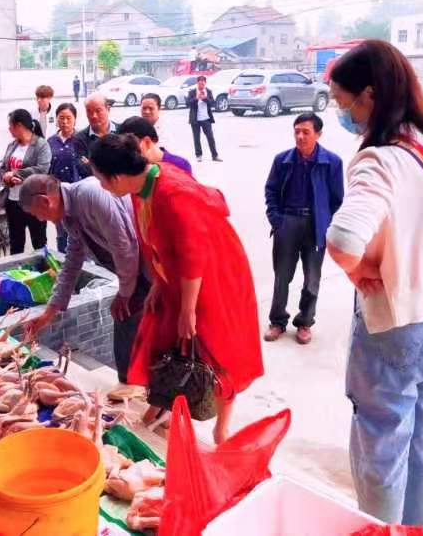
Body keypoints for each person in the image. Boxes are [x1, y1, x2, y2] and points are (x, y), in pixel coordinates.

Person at [326, 40, 423, 535]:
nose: (340, 111)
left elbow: (344, 237)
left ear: (369, 95)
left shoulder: (378, 159)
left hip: (402, 322)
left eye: (342, 101)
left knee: (382, 450)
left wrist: (355, 270)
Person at [88, 134, 264, 444]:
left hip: (211, 280)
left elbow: (193, 253)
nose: (101, 187)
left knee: (216, 353)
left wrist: (188, 309)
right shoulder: (141, 188)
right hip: (176, 278)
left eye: (102, 180)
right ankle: (163, 409)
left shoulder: (172, 192)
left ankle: (221, 429)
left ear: (117, 177)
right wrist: (158, 280)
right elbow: (157, 243)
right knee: (165, 342)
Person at [19, 174, 148, 383]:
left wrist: (125, 293)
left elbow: (126, 247)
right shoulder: (69, 215)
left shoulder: (91, 195)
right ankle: (134, 385)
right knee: (128, 322)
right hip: (133, 270)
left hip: (148, 266)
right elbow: (72, 262)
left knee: (132, 318)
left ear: (45, 200)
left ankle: (142, 388)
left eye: (36, 213)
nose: (40, 219)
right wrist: (48, 314)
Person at [263, 113, 344, 344]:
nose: (300, 136)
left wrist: (324, 220)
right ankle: (277, 321)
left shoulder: (332, 162)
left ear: (318, 134)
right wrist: (276, 219)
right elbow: (270, 190)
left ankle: (305, 322)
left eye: (306, 132)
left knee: (312, 278)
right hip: (287, 223)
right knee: (282, 276)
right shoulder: (283, 160)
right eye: (297, 131)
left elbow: (337, 198)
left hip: (315, 226)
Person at [0, 109, 52, 254]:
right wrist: (6, 177)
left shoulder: (40, 145)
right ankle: (16, 275)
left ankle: (43, 273)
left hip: (34, 202)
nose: (9, 130)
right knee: (16, 244)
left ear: (19, 126)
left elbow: (42, 169)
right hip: (13, 201)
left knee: (39, 243)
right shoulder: (12, 145)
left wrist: (16, 174)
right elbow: (2, 167)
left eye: (11, 126)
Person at [47, 103, 82, 252]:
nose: (65, 122)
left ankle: (84, 270)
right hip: (58, 195)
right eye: (61, 118)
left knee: (79, 234)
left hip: (78, 194)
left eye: (68, 118)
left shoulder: (81, 140)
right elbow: (47, 169)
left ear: (75, 119)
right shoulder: (50, 141)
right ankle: (62, 264)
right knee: (61, 233)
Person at [118, 116, 193, 175]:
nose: (129, 153)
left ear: (147, 142)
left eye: (131, 147)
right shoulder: (132, 167)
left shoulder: (179, 165)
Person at [74, 92, 120, 178]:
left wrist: (92, 165)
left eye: (98, 111)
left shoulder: (122, 131)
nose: (93, 116)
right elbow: (82, 170)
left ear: (108, 109)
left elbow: (128, 165)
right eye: (89, 111)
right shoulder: (80, 139)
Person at [186, 75, 222, 162]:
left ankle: (215, 155)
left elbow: (213, 103)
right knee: (196, 138)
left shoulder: (208, 91)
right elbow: (188, 103)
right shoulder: (192, 92)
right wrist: (196, 98)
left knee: (210, 137)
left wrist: (205, 99)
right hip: (195, 119)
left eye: (203, 84)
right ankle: (198, 155)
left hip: (206, 119)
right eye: (200, 84)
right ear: (197, 83)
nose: (201, 86)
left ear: (205, 83)